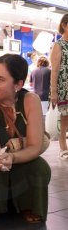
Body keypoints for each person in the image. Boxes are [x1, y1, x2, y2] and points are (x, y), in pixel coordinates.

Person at [0, 54, 51, 224]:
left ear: (18, 84)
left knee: (40, 168)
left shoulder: (30, 100)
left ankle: (29, 205)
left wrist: (13, 157)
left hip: (22, 160)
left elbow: (35, 147)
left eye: (0, 79)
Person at [50, 14, 68, 160]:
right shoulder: (59, 45)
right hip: (64, 87)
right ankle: (63, 147)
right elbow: (55, 70)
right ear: (64, 25)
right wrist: (54, 92)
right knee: (64, 120)